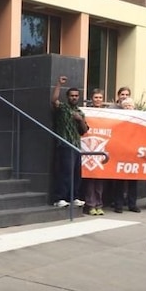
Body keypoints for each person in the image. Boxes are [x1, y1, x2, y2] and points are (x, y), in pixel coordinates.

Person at [50, 75, 88, 208]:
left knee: (76, 174)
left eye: (76, 96)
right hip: (65, 144)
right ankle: (59, 198)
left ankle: (74, 197)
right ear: (68, 97)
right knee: (65, 172)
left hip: (76, 146)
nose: (74, 98)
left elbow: (84, 131)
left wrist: (80, 120)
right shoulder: (64, 108)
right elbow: (54, 100)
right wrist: (59, 84)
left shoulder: (80, 112)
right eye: (72, 95)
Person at [111, 98, 140, 213]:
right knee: (120, 181)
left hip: (134, 153)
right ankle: (118, 205)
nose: (128, 108)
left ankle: (132, 204)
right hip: (121, 152)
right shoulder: (118, 119)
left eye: (130, 106)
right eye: (126, 106)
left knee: (133, 181)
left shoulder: (139, 119)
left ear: (134, 107)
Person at [84, 89, 106, 215]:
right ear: (92, 99)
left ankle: (99, 204)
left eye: (100, 97)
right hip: (90, 150)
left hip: (103, 151)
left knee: (99, 182)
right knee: (90, 181)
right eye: (96, 97)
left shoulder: (109, 113)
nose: (98, 99)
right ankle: (91, 205)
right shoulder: (87, 112)